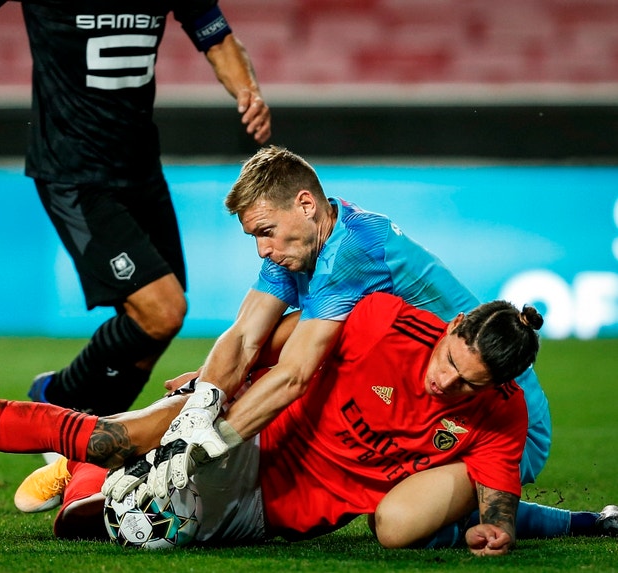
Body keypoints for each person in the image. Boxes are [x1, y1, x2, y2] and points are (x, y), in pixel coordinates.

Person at [0, 293, 615, 556]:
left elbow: (496, 501)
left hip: (275, 516)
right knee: (114, 439)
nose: (445, 379)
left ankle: (81, 481)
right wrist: (215, 383)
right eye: (449, 358)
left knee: (108, 523)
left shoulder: (499, 414)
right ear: (450, 327)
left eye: (467, 381)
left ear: (498, 387)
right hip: (251, 434)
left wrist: (501, 531)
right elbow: (285, 340)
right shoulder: (385, 321)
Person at [145, 145, 588, 544]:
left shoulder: (350, 255)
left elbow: (295, 373)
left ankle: (569, 523)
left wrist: (205, 442)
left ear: (305, 205)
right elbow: (245, 336)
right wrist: (208, 389)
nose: (262, 249)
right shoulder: (303, 238)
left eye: (265, 231)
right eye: (255, 235)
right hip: (434, 396)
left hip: (498, 417)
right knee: (399, 514)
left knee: (402, 524)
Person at [0, 0, 272, 415]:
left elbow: (218, 40)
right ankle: (57, 397)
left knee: (154, 329)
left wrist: (246, 90)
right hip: (75, 173)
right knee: (163, 311)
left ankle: (96, 434)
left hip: (140, 170)